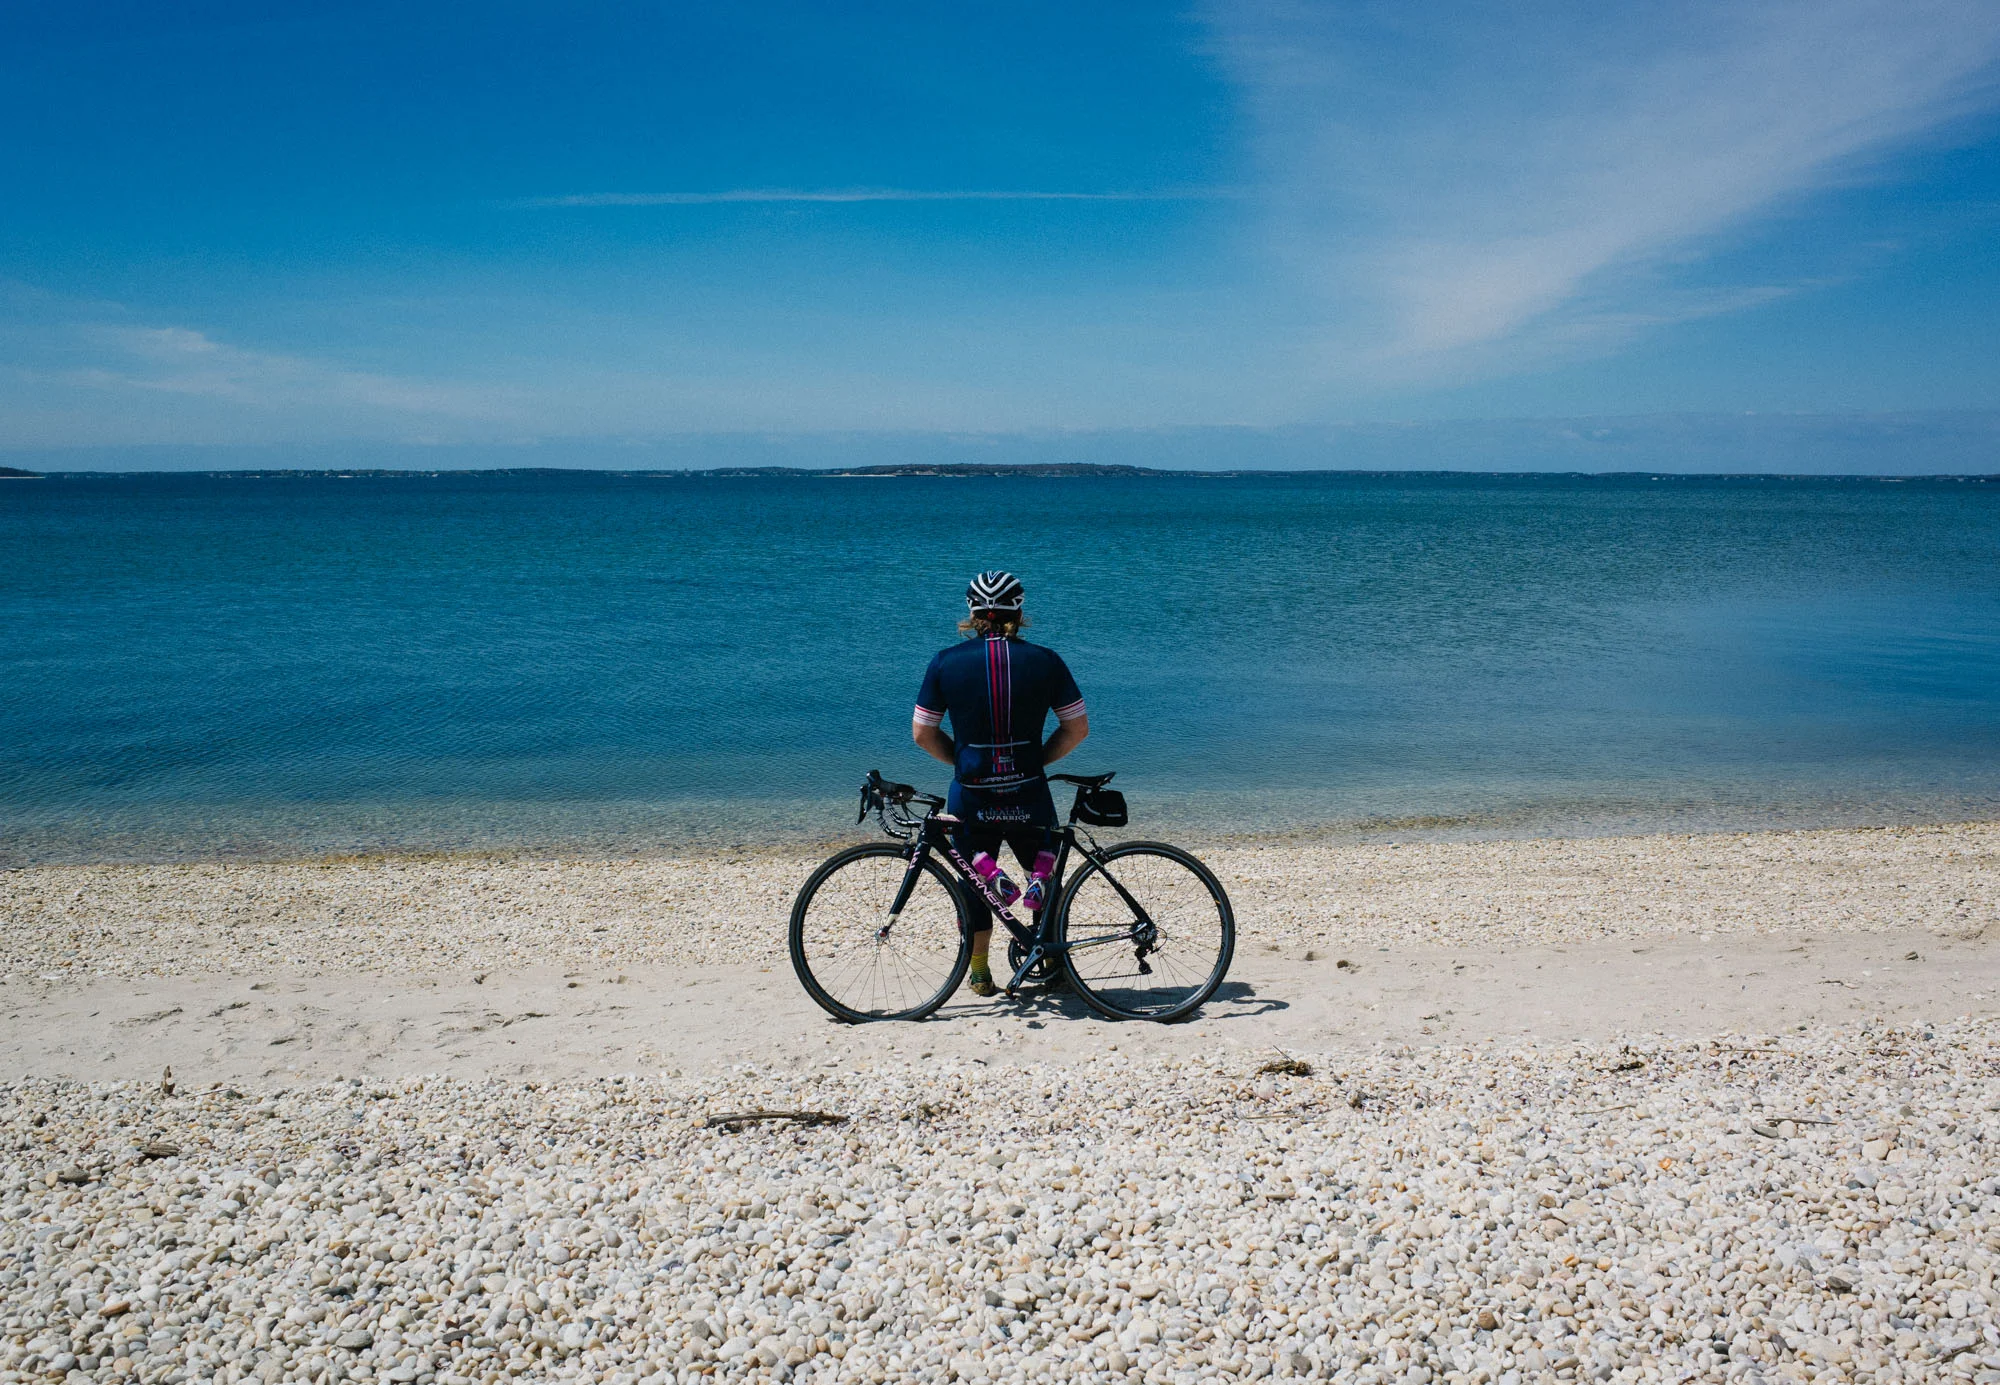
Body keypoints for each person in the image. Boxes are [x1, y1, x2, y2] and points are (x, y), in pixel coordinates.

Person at [912, 571, 1089, 996]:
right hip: (1028, 787)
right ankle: (1051, 961)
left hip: (972, 793)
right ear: (1019, 611)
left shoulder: (945, 662)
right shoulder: (1046, 661)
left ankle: (979, 973)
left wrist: (962, 761)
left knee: (974, 883)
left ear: (971, 613)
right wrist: (1036, 760)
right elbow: (1076, 728)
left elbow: (922, 733)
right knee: (1044, 875)